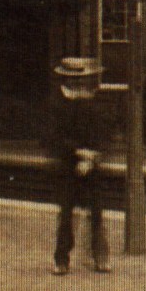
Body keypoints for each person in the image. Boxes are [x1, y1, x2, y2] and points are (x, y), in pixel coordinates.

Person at [50, 56, 111, 276]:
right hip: (67, 167)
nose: (79, 84)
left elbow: (103, 133)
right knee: (66, 214)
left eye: (82, 79)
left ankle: (101, 257)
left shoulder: (92, 103)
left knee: (97, 213)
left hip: (91, 166)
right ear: (65, 80)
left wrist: (92, 156)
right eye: (74, 80)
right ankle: (61, 258)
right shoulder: (56, 105)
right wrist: (79, 153)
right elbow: (53, 139)